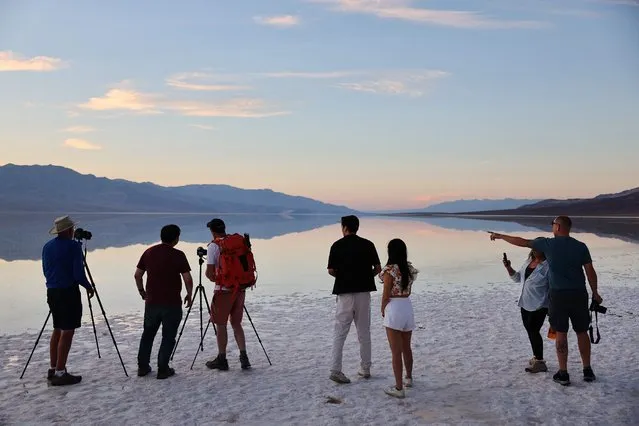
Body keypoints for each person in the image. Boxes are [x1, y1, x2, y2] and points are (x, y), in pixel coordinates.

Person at [490, 216, 602, 385]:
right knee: (582, 331)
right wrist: (595, 292)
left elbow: (521, 241)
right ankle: (587, 370)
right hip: (579, 294)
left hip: (558, 296)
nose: (552, 228)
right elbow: (590, 271)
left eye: (553, 225)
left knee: (561, 333)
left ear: (558, 227)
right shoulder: (581, 246)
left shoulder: (548, 244)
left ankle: (563, 373)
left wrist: (500, 236)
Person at [327, 215, 382, 384]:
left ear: (344, 228)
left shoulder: (337, 245)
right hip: (363, 293)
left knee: (340, 332)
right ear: (357, 227)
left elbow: (330, 270)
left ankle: (336, 369)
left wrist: (343, 277)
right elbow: (378, 268)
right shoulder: (368, 244)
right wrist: (366, 276)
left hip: (344, 293)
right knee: (364, 331)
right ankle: (365, 368)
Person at [134, 224, 193, 379]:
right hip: (172, 304)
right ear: (176, 238)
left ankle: (143, 367)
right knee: (168, 336)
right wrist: (189, 294)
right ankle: (163, 369)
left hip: (152, 302)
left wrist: (142, 292)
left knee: (148, 334)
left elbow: (137, 275)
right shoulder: (178, 255)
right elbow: (187, 278)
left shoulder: (148, 252)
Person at [42, 215, 95, 386]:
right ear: (69, 230)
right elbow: (78, 274)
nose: (73, 231)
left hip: (52, 291)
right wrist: (88, 286)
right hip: (68, 292)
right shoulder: (73, 247)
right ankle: (60, 372)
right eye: (71, 228)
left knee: (57, 328)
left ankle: (53, 368)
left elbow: (46, 270)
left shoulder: (47, 246)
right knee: (68, 330)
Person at [204, 218, 252, 371]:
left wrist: (218, 278)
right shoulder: (237, 242)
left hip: (223, 290)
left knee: (221, 324)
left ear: (212, 231)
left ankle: (222, 358)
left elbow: (209, 274)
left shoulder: (214, 246)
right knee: (236, 323)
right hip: (240, 288)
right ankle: (244, 357)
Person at [379, 238, 418, 399]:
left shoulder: (389, 270)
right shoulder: (409, 269)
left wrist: (382, 307)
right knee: (406, 347)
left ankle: (398, 387)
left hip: (394, 307)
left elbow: (386, 292)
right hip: (407, 306)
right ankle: (408, 378)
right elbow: (408, 290)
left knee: (395, 351)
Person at [503, 249, 550, 373]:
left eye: (538, 247)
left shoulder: (549, 266)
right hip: (524, 302)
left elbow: (552, 286)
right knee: (530, 329)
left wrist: (552, 307)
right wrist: (508, 267)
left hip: (540, 304)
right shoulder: (529, 261)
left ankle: (540, 361)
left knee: (534, 330)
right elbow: (517, 278)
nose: (535, 250)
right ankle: (536, 357)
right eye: (534, 247)